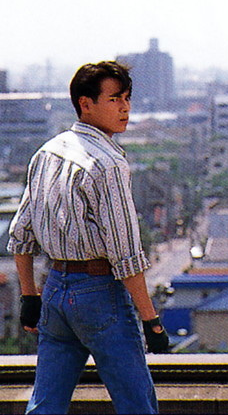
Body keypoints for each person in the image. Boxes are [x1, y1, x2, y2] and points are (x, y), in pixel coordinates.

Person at [7, 61, 169, 414]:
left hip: (55, 289)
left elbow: (20, 235)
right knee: (136, 404)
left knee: (45, 404)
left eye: (127, 98)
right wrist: (151, 320)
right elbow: (126, 253)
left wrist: (30, 296)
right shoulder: (108, 164)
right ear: (86, 104)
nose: (125, 108)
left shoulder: (47, 153)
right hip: (99, 291)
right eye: (114, 99)